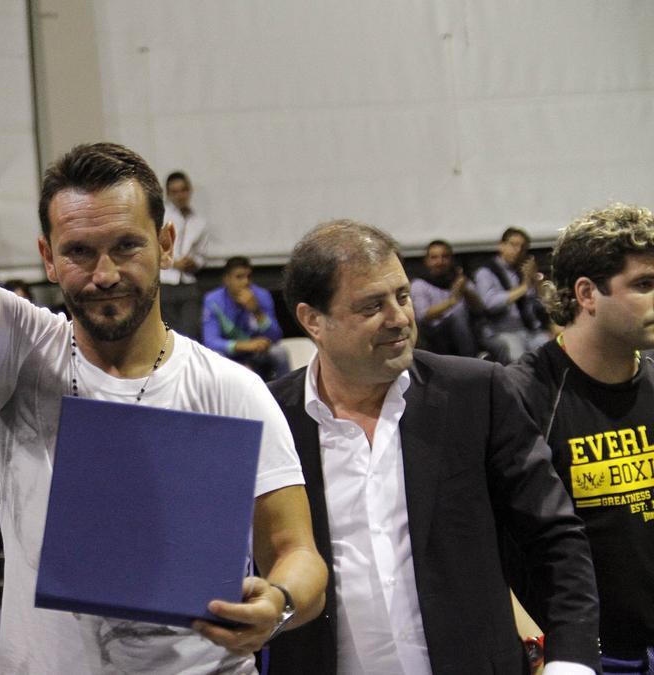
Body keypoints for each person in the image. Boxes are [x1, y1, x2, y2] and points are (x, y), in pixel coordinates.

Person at [0, 44, 327, 673]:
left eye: (126, 245)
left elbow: (298, 552)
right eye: (78, 252)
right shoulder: (22, 353)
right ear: (48, 258)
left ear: (167, 242)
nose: (104, 274)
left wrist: (279, 601)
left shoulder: (232, 389)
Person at [265, 219, 599, 674]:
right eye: (371, 306)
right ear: (312, 320)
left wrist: (571, 662)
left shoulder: (476, 393)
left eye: (402, 296)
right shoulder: (268, 418)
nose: (400, 317)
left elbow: (553, 537)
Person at [507, 203, 654, 673]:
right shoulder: (520, 395)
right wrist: (536, 651)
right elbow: (478, 542)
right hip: (583, 659)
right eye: (644, 285)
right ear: (587, 293)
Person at [202, 256, 290, 381]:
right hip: (230, 353)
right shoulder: (213, 300)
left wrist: (257, 312)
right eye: (239, 277)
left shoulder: (261, 296)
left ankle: (286, 398)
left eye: (248, 277)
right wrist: (244, 345)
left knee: (280, 353)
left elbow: (276, 337)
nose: (245, 282)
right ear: (226, 280)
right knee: (215, 356)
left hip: (256, 353)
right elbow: (210, 341)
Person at [474, 226, 549, 363]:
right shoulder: (486, 272)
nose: (518, 250)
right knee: (518, 357)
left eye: (523, 247)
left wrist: (535, 281)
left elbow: (541, 304)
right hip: (501, 331)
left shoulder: (524, 271)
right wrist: (524, 287)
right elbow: (489, 304)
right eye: (513, 245)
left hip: (529, 330)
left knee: (552, 349)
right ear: (501, 246)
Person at [410, 239, 484, 357]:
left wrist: (465, 291)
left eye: (445, 257)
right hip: (435, 336)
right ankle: (471, 359)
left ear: (451, 260)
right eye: (434, 258)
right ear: (426, 261)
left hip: (466, 332)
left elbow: (480, 308)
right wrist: (452, 301)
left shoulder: (459, 280)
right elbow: (423, 316)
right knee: (457, 315)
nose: (440, 262)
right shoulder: (419, 284)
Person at [159, 171, 209, 338]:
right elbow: (151, 249)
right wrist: (173, 262)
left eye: (183, 190)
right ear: (168, 194)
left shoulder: (199, 222)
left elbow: (202, 256)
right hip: (165, 281)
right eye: (175, 192)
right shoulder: (160, 217)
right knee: (167, 336)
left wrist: (193, 262)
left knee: (190, 336)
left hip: (188, 282)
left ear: (189, 191)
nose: (180, 196)